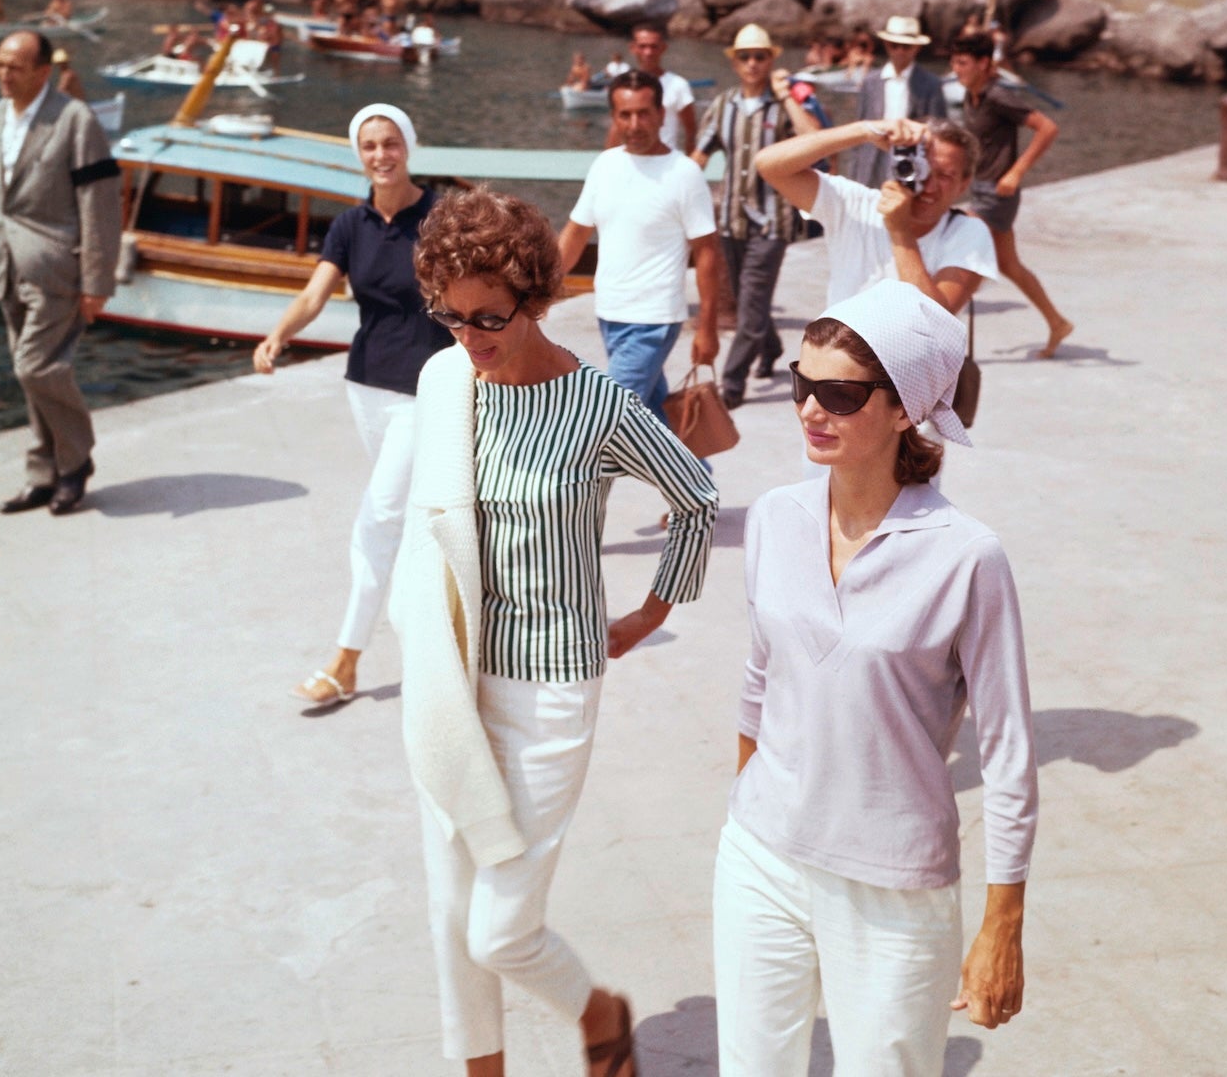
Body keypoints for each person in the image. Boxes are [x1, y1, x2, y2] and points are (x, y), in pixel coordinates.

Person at [391, 187, 718, 1075]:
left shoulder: (598, 404)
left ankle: (598, 1010)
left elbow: (697, 497)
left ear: (534, 293)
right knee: (449, 910)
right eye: (451, 319)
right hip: (454, 679)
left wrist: (651, 612)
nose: (470, 337)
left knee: (501, 928)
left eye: (488, 317)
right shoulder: (448, 381)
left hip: (553, 688)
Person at [714, 279, 1037, 1073]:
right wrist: (756, 808)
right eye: (801, 383)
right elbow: (760, 680)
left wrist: (1002, 926)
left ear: (905, 410)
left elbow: (1009, 754)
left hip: (893, 887)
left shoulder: (967, 556)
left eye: (841, 393)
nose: (810, 409)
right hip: (762, 857)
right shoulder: (775, 518)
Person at [253, 104, 450, 707]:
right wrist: (278, 334)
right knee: (411, 517)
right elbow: (316, 294)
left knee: (378, 519)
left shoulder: (440, 217)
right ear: (357, 153)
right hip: (366, 385)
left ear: (408, 147)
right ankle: (446, 638)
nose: (380, 155)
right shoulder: (349, 225)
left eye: (390, 143)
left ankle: (346, 660)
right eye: (368, 146)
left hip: (429, 389)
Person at [0, 31, 122, 515]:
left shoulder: (75, 120)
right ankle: (44, 474)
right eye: (0, 65)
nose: (3, 75)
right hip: (6, 267)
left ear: (42, 72)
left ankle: (76, 460)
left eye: (15, 67)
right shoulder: (0, 114)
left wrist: (96, 281)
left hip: (56, 270)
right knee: (32, 378)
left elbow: (100, 205)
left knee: (36, 366)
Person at [557, 70, 720, 426]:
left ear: (662, 114)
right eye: (625, 115)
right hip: (610, 313)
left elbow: (708, 252)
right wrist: (537, 287)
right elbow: (576, 232)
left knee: (603, 420)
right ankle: (696, 480)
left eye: (644, 113)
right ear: (614, 118)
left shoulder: (684, 174)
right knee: (656, 421)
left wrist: (708, 325)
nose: (635, 124)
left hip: (654, 319)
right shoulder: (605, 165)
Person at [757, 113, 996, 309]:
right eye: (920, 169)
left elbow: (935, 317)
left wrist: (901, 232)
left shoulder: (969, 232)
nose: (929, 186)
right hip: (836, 362)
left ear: (964, 184)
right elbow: (768, 165)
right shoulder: (855, 204)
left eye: (945, 175)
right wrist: (864, 131)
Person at [693, 24, 814, 409]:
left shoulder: (783, 107)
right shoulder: (723, 105)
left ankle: (731, 384)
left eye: (760, 56)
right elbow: (699, 155)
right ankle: (773, 346)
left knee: (752, 305)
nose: (752, 63)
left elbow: (813, 141)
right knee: (751, 303)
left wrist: (787, 95)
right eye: (745, 56)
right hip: (731, 221)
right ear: (734, 62)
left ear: (771, 60)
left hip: (772, 222)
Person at [950, 30, 1073, 358]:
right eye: (954, 62)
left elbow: (1047, 127)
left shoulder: (998, 96)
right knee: (1009, 265)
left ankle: (939, 332)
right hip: (980, 189)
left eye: (962, 62)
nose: (955, 69)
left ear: (983, 63)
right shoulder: (970, 96)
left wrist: (1017, 172)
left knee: (963, 252)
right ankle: (1057, 321)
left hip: (997, 196)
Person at [845, 15, 946, 187]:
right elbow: (860, 127)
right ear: (886, 45)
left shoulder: (931, 84)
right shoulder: (870, 82)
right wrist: (853, 174)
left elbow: (938, 132)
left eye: (906, 46)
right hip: (872, 158)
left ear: (916, 48)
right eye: (894, 45)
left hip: (911, 157)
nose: (899, 51)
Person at [606, 22, 697, 153]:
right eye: (642, 46)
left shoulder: (679, 85)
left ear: (663, 48)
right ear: (632, 48)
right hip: (631, 162)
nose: (648, 52)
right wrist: (607, 161)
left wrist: (689, 165)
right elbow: (615, 128)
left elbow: (691, 131)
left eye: (653, 46)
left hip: (666, 164)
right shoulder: (623, 87)